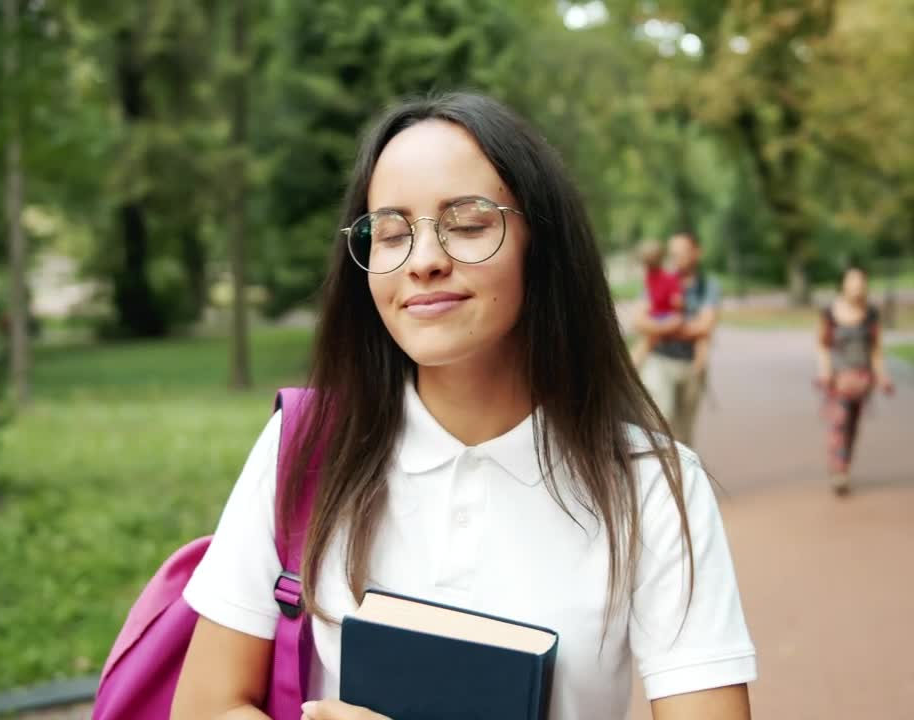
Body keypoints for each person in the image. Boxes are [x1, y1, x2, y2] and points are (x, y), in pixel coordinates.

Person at [171, 94, 755, 720]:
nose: (423, 261)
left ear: (543, 244)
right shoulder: (306, 448)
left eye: (469, 224)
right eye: (391, 232)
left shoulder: (652, 487)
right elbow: (206, 705)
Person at [634, 231, 720, 445]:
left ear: (696, 253)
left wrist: (665, 327)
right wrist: (676, 326)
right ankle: (660, 473)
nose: (676, 258)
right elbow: (639, 321)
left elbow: (705, 326)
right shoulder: (659, 281)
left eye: (682, 252)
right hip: (660, 359)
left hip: (691, 364)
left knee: (684, 433)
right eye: (673, 253)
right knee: (661, 420)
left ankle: (681, 476)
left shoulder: (707, 286)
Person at [815, 266, 894, 495]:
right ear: (844, 284)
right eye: (853, 281)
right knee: (838, 423)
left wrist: (882, 376)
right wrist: (824, 371)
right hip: (838, 378)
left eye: (861, 282)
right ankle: (838, 470)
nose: (857, 287)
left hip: (862, 378)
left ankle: (845, 465)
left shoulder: (871, 314)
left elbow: (876, 349)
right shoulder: (830, 313)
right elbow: (822, 345)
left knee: (852, 425)